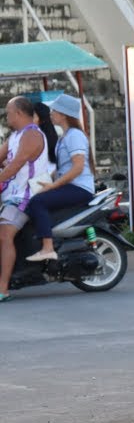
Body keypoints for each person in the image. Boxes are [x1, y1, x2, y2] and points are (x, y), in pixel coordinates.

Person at [25, 94, 95, 262]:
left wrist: (53, 185)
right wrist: (46, 180)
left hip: (79, 188)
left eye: (54, 111)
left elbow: (77, 167)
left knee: (38, 202)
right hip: (71, 185)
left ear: (63, 114)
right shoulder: (66, 136)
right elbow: (63, 168)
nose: (51, 114)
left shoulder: (75, 136)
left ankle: (47, 248)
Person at [0, 96, 53, 301]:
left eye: (8, 112)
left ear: (19, 113)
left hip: (25, 195)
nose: (7, 116)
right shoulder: (14, 136)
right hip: (12, 194)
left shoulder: (31, 135)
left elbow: (16, 164)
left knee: (4, 235)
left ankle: (3, 289)